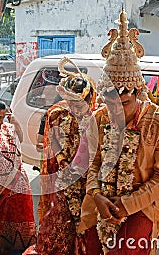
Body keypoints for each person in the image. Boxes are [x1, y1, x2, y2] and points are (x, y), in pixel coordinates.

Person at [84, 10, 159, 254]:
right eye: (111, 103)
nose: (116, 110)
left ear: (138, 93)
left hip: (142, 206)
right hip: (102, 200)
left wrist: (127, 204)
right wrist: (96, 194)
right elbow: (92, 162)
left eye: (124, 103)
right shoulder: (99, 118)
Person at [30, 57, 99, 255]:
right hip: (62, 174)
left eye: (79, 103)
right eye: (70, 102)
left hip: (88, 178)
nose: (74, 107)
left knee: (85, 220)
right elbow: (51, 141)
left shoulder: (97, 118)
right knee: (59, 217)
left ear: (89, 99)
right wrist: (63, 163)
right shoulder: (57, 113)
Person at [0, 97, 36, 255]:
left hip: (18, 188)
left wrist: (16, 124)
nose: (0, 122)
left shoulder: (7, 129)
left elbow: (20, 141)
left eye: (2, 118)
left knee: (20, 228)